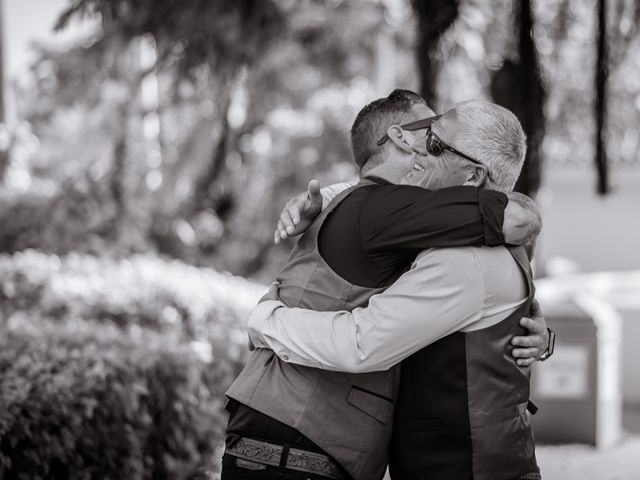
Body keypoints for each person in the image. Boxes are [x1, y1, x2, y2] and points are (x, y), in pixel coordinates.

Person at [222, 90, 548, 480]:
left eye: (433, 142)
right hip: (296, 441)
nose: (418, 150)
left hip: (467, 466)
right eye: (421, 134)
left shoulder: (465, 258)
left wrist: (266, 320)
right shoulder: (431, 229)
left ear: (473, 176)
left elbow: (363, 343)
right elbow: (366, 202)